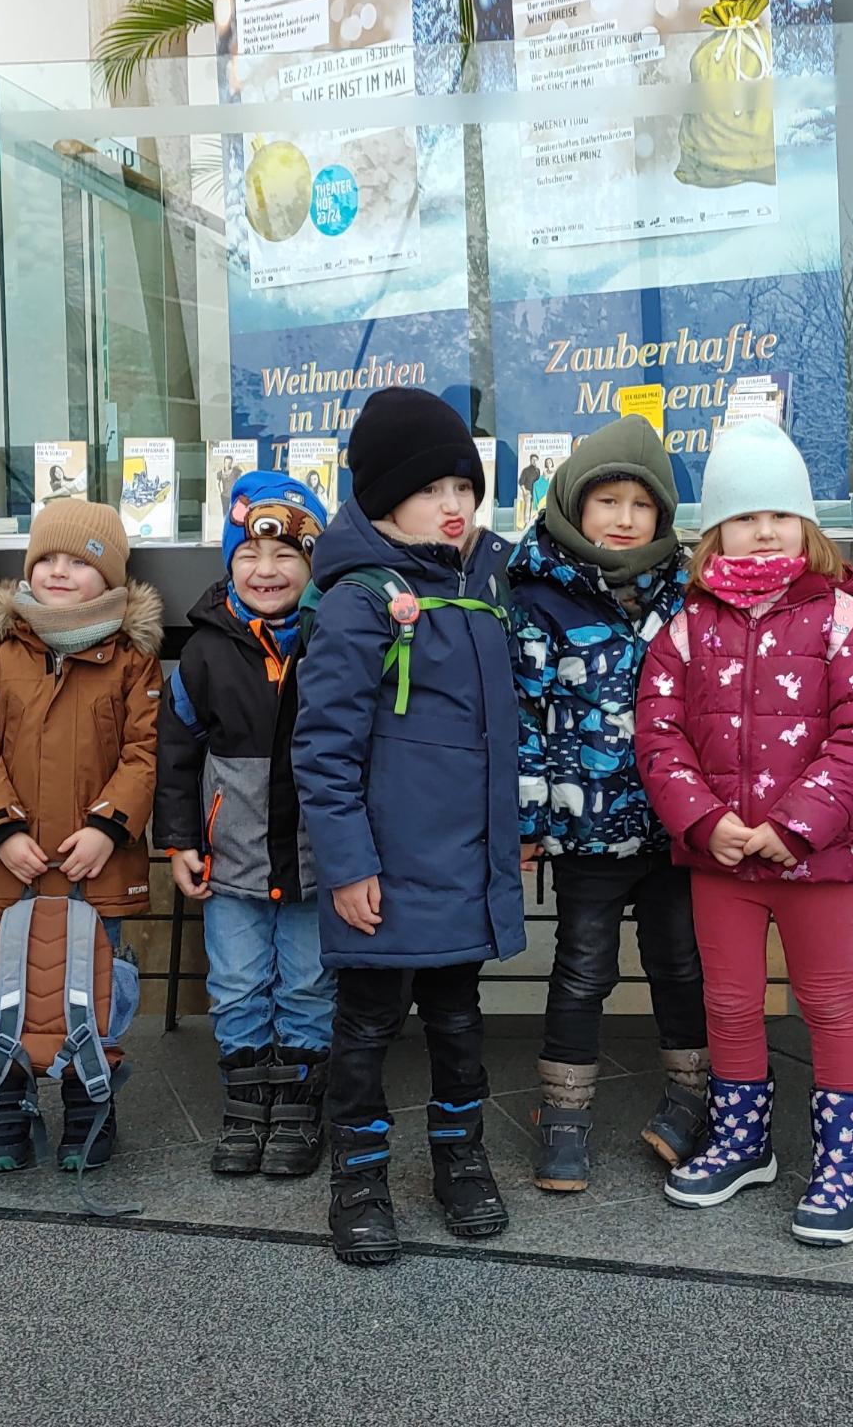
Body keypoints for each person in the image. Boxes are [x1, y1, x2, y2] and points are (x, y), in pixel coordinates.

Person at [636, 419, 853, 1248]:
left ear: (807, 526)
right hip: (721, 858)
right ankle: (743, 1139)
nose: (764, 529)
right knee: (732, 1001)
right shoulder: (685, 627)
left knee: (827, 1000)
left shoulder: (842, 619)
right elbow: (658, 732)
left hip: (813, 858)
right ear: (716, 530)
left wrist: (796, 826)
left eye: (781, 513)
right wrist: (707, 824)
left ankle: (846, 1158)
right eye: (746, 515)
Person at [294, 388, 526, 1265]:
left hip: (464, 865)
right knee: (364, 1029)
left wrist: (515, 830)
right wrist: (349, 862)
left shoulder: (482, 588)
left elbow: (502, 732)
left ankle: (460, 1161)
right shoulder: (362, 600)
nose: (454, 504)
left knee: (462, 1023)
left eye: (463, 485)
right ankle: (357, 1177)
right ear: (383, 498)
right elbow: (322, 749)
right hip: (384, 875)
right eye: (431, 488)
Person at [510, 415, 708, 1194]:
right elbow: (523, 721)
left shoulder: (689, 592)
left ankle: (692, 1097)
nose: (624, 519)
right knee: (583, 970)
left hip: (676, 827)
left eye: (642, 505)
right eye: (607, 501)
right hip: (587, 830)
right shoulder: (536, 596)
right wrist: (529, 822)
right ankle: (563, 1117)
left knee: (679, 965)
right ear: (573, 505)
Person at [0, 496, 162, 1176]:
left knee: (93, 988)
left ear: (112, 578)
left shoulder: (130, 657)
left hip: (96, 865)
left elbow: (143, 751)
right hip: (9, 864)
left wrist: (108, 826)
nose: (61, 572)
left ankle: (89, 1105)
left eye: (80, 561)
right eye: (48, 560)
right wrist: (2, 830)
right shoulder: (0, 652)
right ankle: (4, 1104)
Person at [157, 470, 334, 1179]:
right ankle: (245, 1103)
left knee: (307, 984)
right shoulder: (204, 649)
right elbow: (175, 753)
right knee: (235, 982)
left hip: (316, 860)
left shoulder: (334, 638)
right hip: (229, 861)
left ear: (313, 564)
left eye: (287, 555)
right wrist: (180, 842)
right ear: (230, 561)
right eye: (250, 556)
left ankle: (297, 1107)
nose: (267, 570)